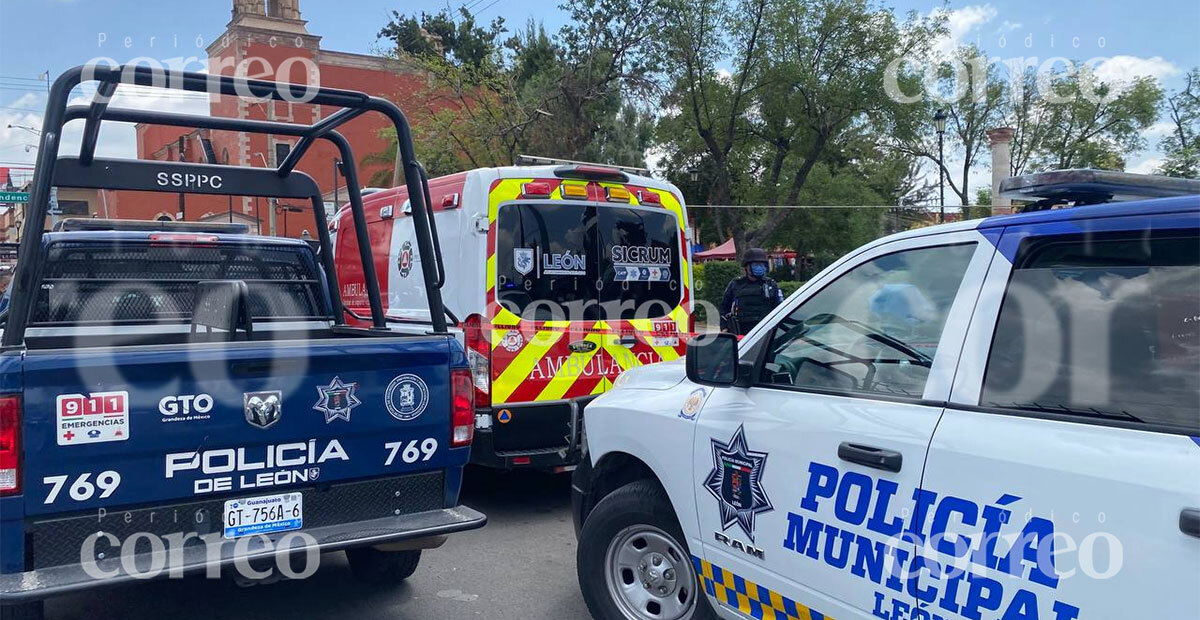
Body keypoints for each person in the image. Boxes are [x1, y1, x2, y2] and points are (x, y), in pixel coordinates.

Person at [720, 247, 784, 335]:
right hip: (741, 332)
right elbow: (724, 307)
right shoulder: (736, 284)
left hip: (765, 331)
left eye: (762, 265)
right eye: (756, 264)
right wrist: (724, 327)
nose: (759, 267)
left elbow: (780, 307)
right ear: (747, 266)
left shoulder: (771, 284)